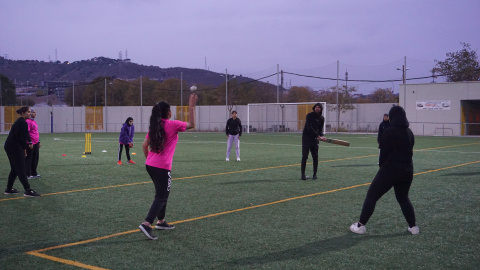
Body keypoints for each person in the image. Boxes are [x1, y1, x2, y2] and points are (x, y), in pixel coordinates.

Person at [350, 106, 419, 235]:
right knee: (403, 198)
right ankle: (413, 227)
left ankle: (360, 226)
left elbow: (383, 154)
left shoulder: (389, 131)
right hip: (407, 171)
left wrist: (382, 167)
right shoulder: (409, 132)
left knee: (372, 196)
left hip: (390, 170)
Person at [138, 93, 197, 240]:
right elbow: (192, 125)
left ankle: (161, 221)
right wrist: (191, 106)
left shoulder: (155, 126)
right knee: (161, 196)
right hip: (162, 167)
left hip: (150, 165)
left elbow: (144, 145)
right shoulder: (172, 124)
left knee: (163, 193)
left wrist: (150, 160)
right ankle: (146, 224)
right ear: (168, 112)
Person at [4, 106, 41, 197]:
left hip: (11, 146)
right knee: (21, 169)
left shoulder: (21, 122)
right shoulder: (22, 123)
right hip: (14, 147)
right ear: (23, 113)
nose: (30, 113)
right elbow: (22, 139)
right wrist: (24, 150)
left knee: (14, 169)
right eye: (28, 112)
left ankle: (9, 189)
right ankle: (28, 190)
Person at [301, 103, 326, 180]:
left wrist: (321, 136)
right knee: (305, 156)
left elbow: (320, 129)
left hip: (315, 140)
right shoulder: (309, 116)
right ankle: (303, 175)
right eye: (316, 107)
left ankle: (314, 175)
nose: (317, 108)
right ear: (314, 108)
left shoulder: (322, 118)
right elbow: (309, 127)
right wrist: (317, 135)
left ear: (321, 109)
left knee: (315, 157)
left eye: (319, 107)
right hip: (306, 138)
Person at [26, 108, 41, 179]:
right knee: (29, 158)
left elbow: (36, 132)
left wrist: (39, 141)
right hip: (30, 144)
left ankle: (34, 173)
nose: (35, 114)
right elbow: (27, 133)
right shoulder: (28, 121)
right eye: (34, 112)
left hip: (36, 143)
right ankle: (28, 174)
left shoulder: (34, 121)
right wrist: (30, 142)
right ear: (30, 113)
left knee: (35, 158)